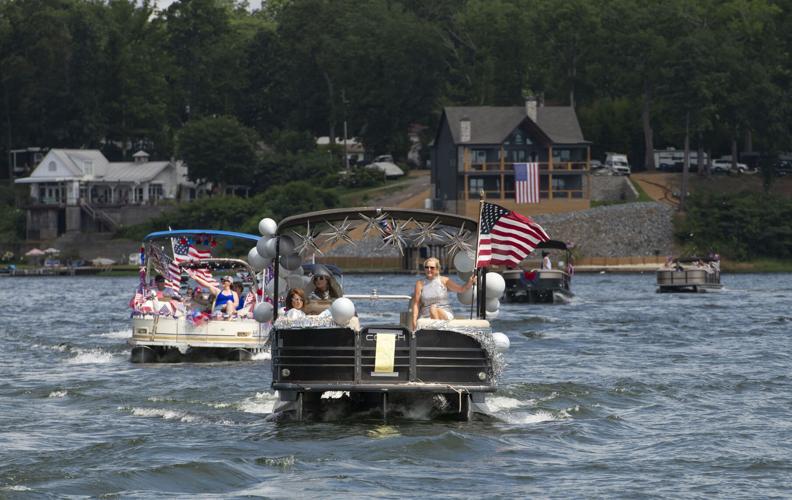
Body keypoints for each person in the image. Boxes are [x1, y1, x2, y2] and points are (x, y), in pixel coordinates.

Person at [411, 257, 475, 331]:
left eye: (432, 268)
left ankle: (437, 334)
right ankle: (439, 333)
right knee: (432, 309)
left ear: (437, 269)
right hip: (426, 315)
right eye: (426, 267)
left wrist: (470, 282)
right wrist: (414, 321)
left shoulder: (444, 280)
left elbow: (461, 289)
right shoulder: (420, 284)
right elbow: (416, 304)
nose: (429, 270)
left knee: (433, 309)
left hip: (444, 313)